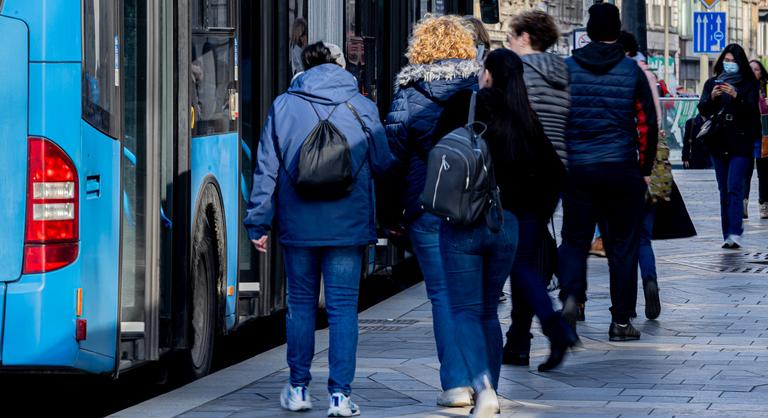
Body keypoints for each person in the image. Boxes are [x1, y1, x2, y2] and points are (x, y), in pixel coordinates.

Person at [243, 42, 393, 417]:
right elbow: (382, 162)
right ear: (341, 67)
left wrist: (258, 222)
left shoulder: (283, 105)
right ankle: (340, 397)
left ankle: (297, 388)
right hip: (348, 224)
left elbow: (266, 169)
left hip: (299, 225)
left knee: (301, 307)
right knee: (343, 310)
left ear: (303, 67)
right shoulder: (362, 105)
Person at [384, 15, 479, 408]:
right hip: (473, 206)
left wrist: (392, 215)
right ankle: (483, 381)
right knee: (474, 296)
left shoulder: (408, 94)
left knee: (442, 295)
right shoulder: (478, 90)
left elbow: (392, 159)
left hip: (426, 207)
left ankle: (455, 384)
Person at [557, 3, 658, 341]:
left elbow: (556, 120)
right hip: (621, 170)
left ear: (587, 30)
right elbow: (647, 123)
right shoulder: (632, 71)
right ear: (617, 31)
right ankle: (620, 322)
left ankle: (572, 298)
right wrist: (644, 168)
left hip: (579, 170)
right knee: (623, 246)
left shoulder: (568, 68)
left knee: (573, 241)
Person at [503, 9, 578, 370]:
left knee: (519, 262)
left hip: (523, 174)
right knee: (527, 257)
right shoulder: (563, 72)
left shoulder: (518, 73)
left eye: (511, 36)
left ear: (526, 37)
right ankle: (518, 342)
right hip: (554, 175)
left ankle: (554, 328)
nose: (508, 43)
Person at [617, 30, 662, 320]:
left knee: (621, 238)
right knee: (643, 236)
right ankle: (650, 279)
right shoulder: (649, 74)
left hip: (623, 161)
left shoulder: (627, 74)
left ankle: (626, 305)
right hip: (650, 162)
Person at [698, 44, 761, 249]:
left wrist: (737, 95)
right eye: (727, 60)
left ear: (740, 63)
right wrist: (712, 97)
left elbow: (753, 111)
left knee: (735, 187)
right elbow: (703, 110)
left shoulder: (748, 84)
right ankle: (727, 234)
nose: (730, 64)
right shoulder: (712, 83)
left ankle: (735, 231)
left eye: (734, 61)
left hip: (740, 143)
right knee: (723, 189)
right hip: (718, 141)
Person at [747, 60, 768, 219]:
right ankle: (742, 204)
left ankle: (764, 204)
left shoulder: (765, 89)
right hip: (746, 136)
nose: (754, 72)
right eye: (751, 69)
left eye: (757, 69)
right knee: (744, 172)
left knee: (764, 173)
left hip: (764, 137)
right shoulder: (741, 86)